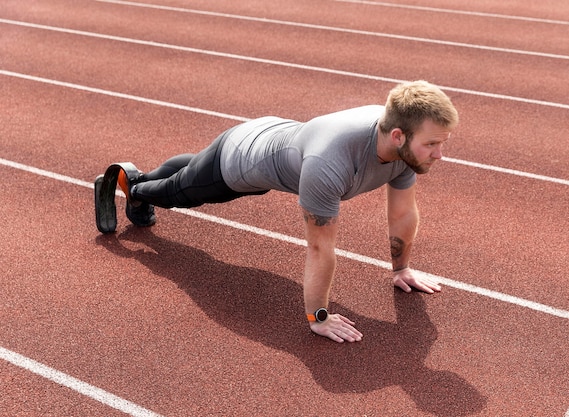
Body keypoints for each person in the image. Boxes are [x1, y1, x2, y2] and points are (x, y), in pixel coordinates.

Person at [108, 80, 458, 343]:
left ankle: (145, 177)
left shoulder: (403, 146)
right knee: (179, 193)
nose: (439, 154)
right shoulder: (331, 162)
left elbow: (401, 215)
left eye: (441, 143)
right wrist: (318, 317)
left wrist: (402, 269)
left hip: (271, 137)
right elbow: (320, 248)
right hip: (241, 161)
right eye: (432, 144)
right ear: (397, 135)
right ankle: (130, 186)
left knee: (193, 171)